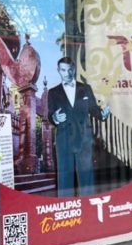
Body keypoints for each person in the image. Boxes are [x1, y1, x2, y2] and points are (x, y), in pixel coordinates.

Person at [47, 56, 110, 197]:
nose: (67, 73)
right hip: (64, 140)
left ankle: (88, 210)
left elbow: (93, 108)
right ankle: (65, 210)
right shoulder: (53, 92)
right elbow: (50, 114)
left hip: (84, 139)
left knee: (87, 178)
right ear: (59, 71)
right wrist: (55, 118)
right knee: (65, 179)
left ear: (74, 70)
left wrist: (102, 115)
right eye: (63, 70)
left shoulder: (85, 88)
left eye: (70, 70)